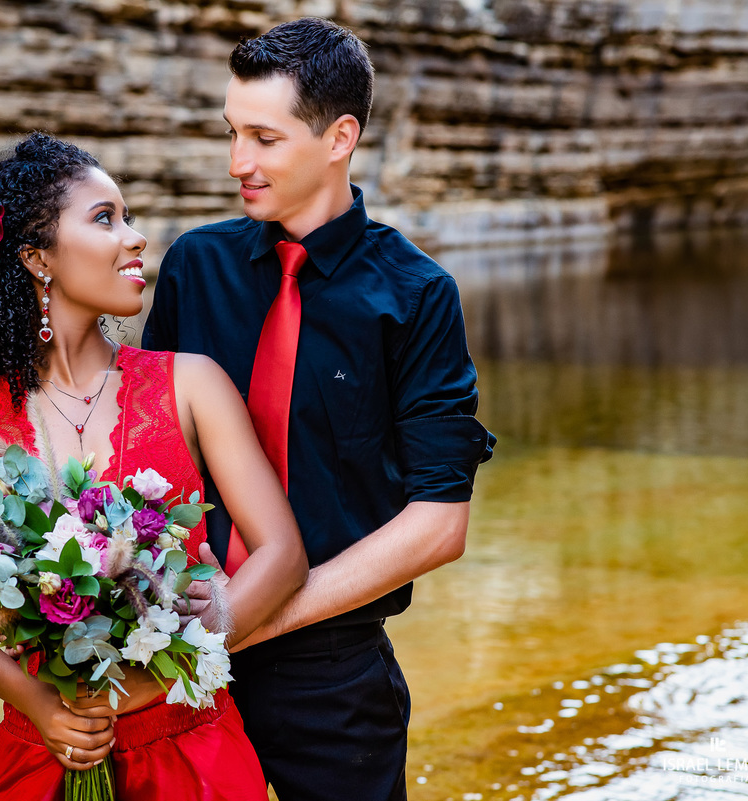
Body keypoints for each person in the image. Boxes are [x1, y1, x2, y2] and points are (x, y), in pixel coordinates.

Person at [143, 17, 495, 801]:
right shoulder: (195, 266)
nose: (239, 162)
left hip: (332, 682)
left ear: (340, 137)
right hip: (176, 661)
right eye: (232, 133)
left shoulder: (418, 296)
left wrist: (254, 614)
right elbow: (147, 457)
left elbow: (439, 523)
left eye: (264, 139)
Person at [0, 132, 308, 801]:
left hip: (194, 743)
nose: (136, 238)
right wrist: (41, 704)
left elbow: (284, 554)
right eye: (106, 219)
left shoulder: (193, 384)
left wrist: (191, 647)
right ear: (38, 258)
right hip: (47, 751)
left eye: (128, 217)